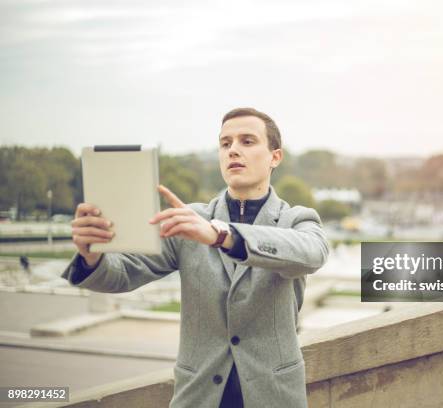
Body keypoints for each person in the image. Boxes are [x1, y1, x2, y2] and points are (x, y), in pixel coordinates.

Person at [61, 107, 329, 407]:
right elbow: (123, 274)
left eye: (247, 141)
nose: (234, 150)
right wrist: (92, 255)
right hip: (199, 396)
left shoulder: (298, 219)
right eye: (225, 143)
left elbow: (312, 253)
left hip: (274, 397)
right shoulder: (189, 220)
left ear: (274, 157)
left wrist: (222, 236)